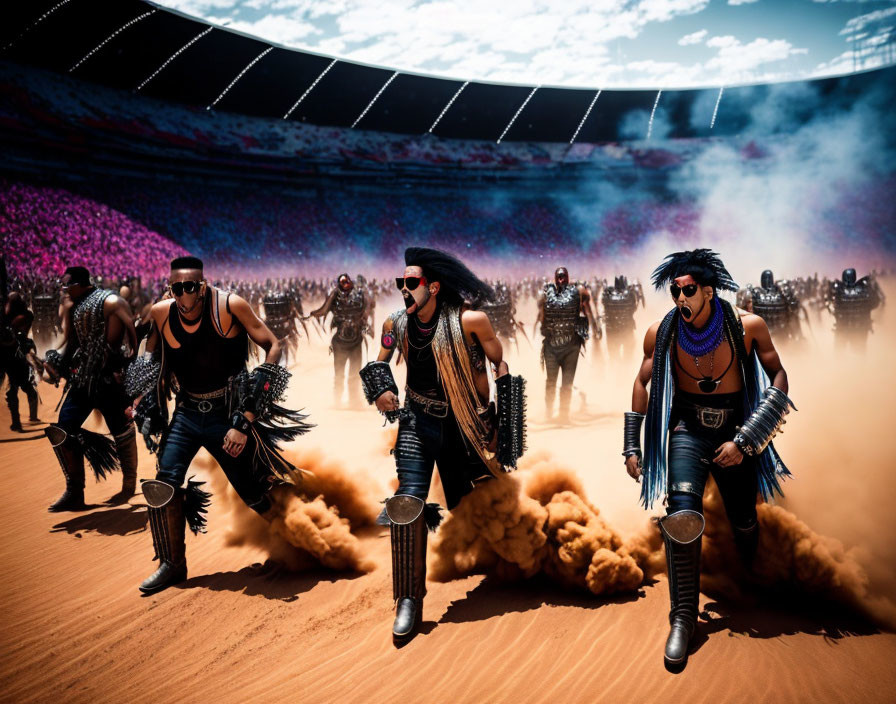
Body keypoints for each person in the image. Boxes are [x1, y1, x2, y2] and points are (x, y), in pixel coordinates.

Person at [622, 249, 795, 668]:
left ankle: (750, 573)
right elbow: (643, 381)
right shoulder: (661, 331)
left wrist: (748, 439)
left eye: (689, 290)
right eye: (675, 290)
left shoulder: (746, 325)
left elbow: (778, 376)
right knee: (682, 515)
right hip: (687, 430)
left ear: (709, 290)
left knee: (743, 518)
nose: (680, 298)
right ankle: (682, 617)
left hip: (737, 432)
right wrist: (631, 444)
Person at [359, 247, 525, 644]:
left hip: (462, 425)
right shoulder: (395, 323)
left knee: (468, 504)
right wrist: (381, 388)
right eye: (400, 282)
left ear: (432, 287)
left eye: (410, 283)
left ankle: (505, 554)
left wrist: (503, 421)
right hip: (416, 421)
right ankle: (408, 600)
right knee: (407, 501)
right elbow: (378, 362)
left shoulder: (471, 321)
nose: (403, 288)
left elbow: (500, 365)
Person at [125, 256, 310, 594]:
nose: (184, 296)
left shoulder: (229, 306)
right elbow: (149, 359)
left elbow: (274, 345)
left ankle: (296, 545)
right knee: (164, 483)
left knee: (252, 490)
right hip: (187, 412)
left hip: (229, 414)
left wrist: (247, 417)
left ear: (203, 286)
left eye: (190, 287)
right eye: (177, 288)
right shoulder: (160, 313)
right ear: (171, 288)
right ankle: (172, 565)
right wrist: (140, 401)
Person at [42, 266, 138, 510]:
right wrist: (56, 363)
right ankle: (75, 492)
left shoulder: (110, 301)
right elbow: (70, 342)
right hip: (82, 380)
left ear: (78, 285)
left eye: (66, 286)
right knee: (63, 429)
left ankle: (129, 487)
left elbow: (132, 342)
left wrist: (127, 374)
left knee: (122, 430)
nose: (63, 291)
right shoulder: (73, 307)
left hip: (109, 380)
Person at [533, 267, 597, 422]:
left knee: (567, 384)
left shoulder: (579, 292)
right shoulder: (545, 294)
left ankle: (563, 414)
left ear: (568, 277)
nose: (561, 280)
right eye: (559, 277)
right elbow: (541, 315)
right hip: (551, 347)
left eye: (564, 277)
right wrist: (540, 327)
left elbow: (587, 309)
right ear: (555, 278)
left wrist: (595, 326)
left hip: (571, 347)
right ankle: (549, 413)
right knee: (551, 382)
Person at [310, 273, 369, 406]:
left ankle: (354, 401)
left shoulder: (360, 295)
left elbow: (367, 311)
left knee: (354, 373)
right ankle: (337, 401)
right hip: (340, 342)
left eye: (348, 280)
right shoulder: (334, 295)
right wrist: (312, 314)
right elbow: (323, 310)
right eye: (343, 282)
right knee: (339, 374)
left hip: (356, 340)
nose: (346, 283)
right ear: (339, 284)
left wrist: (366, 326)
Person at [1, 292, 41, 431]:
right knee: (18, 387)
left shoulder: (21, 317)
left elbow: (18, 335)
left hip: (15, 354)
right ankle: (19, 421)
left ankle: (20, 420)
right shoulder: (15, 316)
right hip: (12, 355)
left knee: (20, 386)